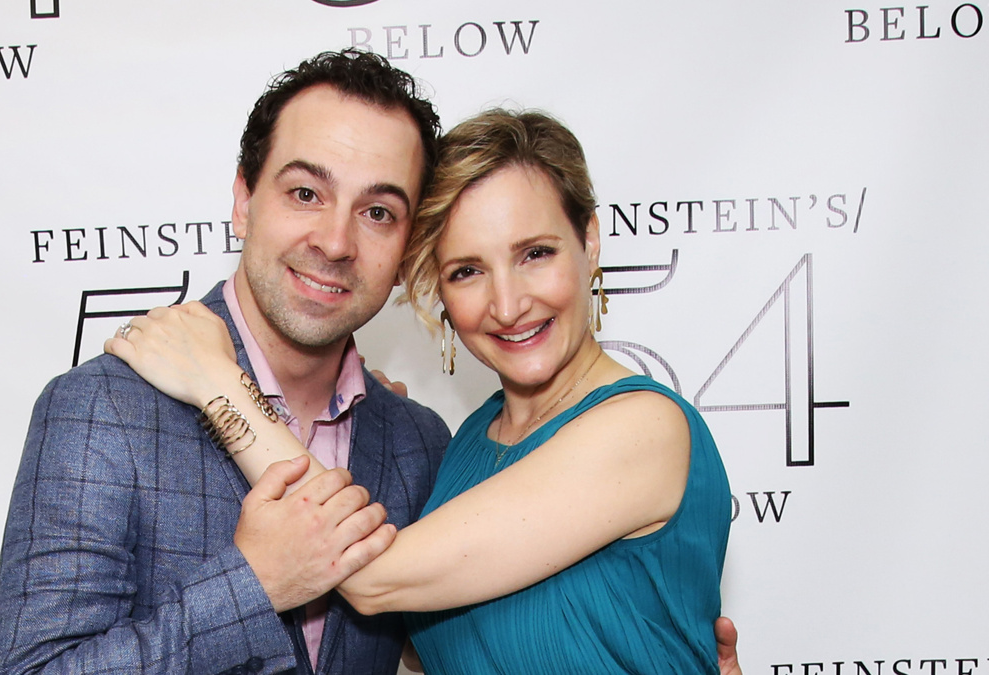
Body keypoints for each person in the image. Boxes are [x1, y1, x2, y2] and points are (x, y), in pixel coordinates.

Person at [107, 109, 733, 673]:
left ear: (589, 241)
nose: (509, 304)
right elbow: (422, 645)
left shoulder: (643, 428)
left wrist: (218, 383)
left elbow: (372, 578)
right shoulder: (455, 447)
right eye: (467, 271)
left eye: (536, 253)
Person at [0, 50, 450, 675]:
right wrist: (254, 585)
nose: (336, 242)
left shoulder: (416, 440)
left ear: (407, 245)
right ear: (243, 199)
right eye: (306, 192)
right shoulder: (100, 408)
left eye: (377, 213)